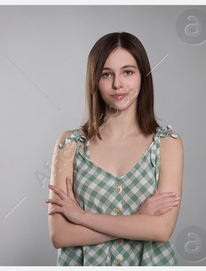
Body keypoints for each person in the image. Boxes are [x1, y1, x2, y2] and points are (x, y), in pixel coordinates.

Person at [45, 31, 181, 266]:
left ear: (143, 76)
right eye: (107, 74)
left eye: (128, 72)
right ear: (94, 80)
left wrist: (81, 217)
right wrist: (138, 221)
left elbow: (161, 230)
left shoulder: (168, 143)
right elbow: (60, 236)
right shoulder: (70, 144)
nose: (118, 83)